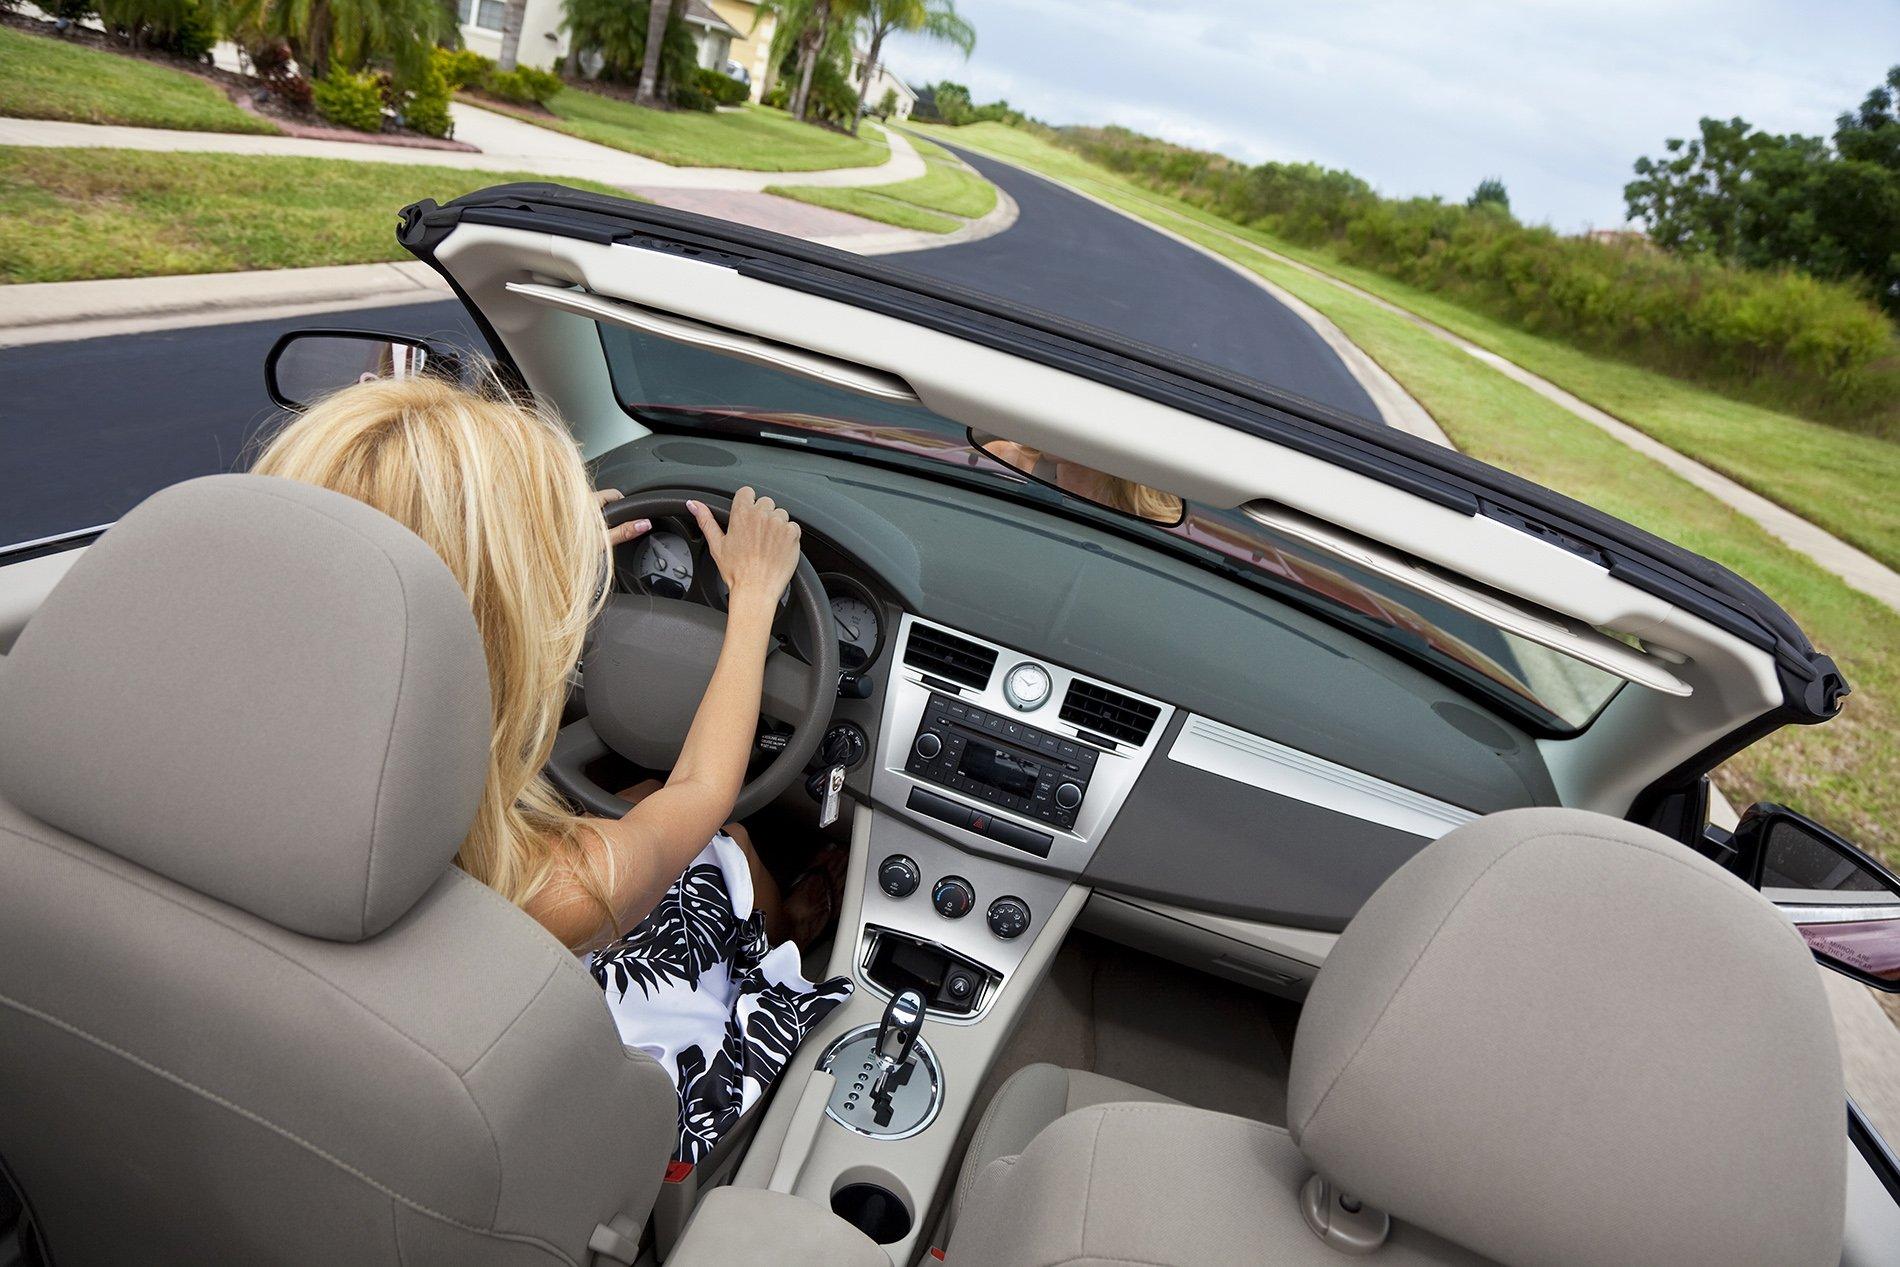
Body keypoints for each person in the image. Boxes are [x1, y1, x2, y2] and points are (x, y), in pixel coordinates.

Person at [251, 375, 850, 1162]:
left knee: (635, 797)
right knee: (723, 843)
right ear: (496, 642)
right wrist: (755, 600)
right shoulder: (548, 894)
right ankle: (793, 928)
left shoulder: (230, 787)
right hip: (599, 1104)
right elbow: (700, 789)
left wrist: (531, 558)